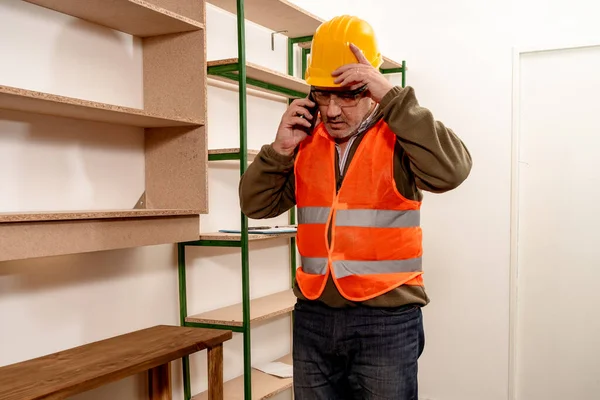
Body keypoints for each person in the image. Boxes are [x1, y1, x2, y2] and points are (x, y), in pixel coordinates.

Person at [238, 14, 472, 400]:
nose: (331, 110)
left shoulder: (399, 134)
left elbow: (453, 170)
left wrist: (395, 100)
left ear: (371, 89)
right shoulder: (304, 139)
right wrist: (279, 151)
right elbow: (255, 204)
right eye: (322, 94)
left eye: (346, 94)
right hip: (314, 316)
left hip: (386, 321)